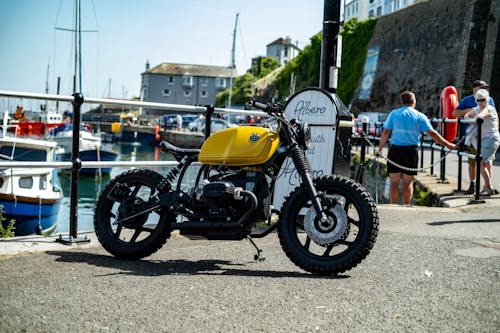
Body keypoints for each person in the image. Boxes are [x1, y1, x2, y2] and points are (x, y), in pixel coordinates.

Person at [378, 91, 456, 205]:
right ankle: (407, 205)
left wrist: (379, 149)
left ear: (401, 102)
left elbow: (385, 132)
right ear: (414, 101)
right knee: (408, 182)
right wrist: (448, 144)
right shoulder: (419, 115)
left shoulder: (394, 114)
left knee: (394, 183)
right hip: (411, 151)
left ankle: (393, 205)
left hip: (395, 150)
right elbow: (432, 133)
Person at [452, 80, 496, 194]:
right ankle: (473, 184)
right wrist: (470, 111)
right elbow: (455, 113)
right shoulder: (467, 100)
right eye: (482, 87)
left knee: (487, 162)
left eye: (485, 88)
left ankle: (487, 186)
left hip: (487, 135)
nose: (484, 90)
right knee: (473, 161)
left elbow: (492, 113)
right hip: (472, 136)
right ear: (474, 89)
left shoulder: (489, 100)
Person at [464, 89, 500, 196]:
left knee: (481, 163)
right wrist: (472, 118)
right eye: (478, 101)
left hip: (491, 139)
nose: (480, 103)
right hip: (486, 139)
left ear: (487, 99)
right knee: (487, 163)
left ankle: (489, 188)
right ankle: (487, 187)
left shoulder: (489, 108)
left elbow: (480, 116)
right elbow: (467, 115)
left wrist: (474, 119)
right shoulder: (478, 108)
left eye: (482, 100)